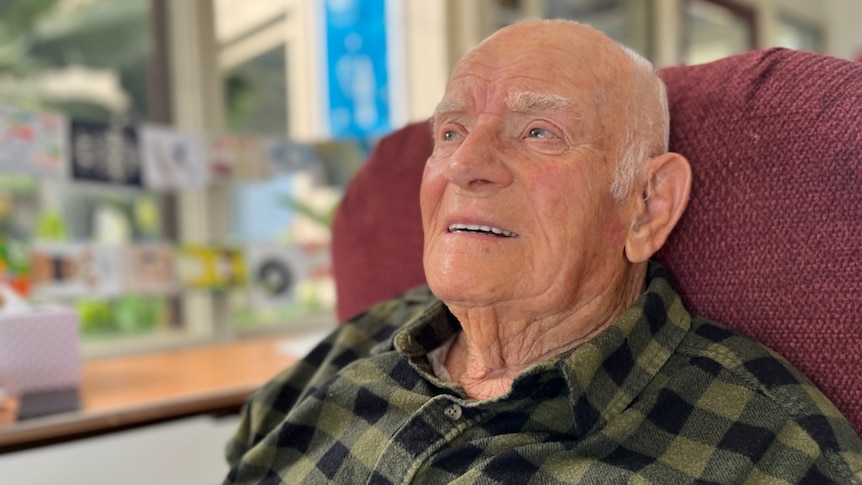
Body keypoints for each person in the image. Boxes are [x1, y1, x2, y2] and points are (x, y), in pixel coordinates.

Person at [224, 19, 862, 484]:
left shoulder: (768, 454)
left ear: (647, 204)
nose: (465, 165)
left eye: (538, 132)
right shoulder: (345, 353)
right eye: (451, 131)